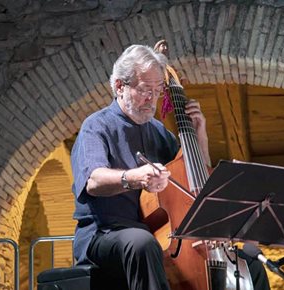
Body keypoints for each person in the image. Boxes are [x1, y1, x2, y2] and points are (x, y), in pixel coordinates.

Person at [71, 44, 209, 290]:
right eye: (145, 90)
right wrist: (134, 178)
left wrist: (200, 134)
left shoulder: (157, 131)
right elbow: (93, 181)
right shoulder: (96, 126)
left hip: (153, 234)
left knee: (246, 264)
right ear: (119, 87)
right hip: (103, 234)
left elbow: (194, 176)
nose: (152, 99)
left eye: (157, 91)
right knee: (142, 243)